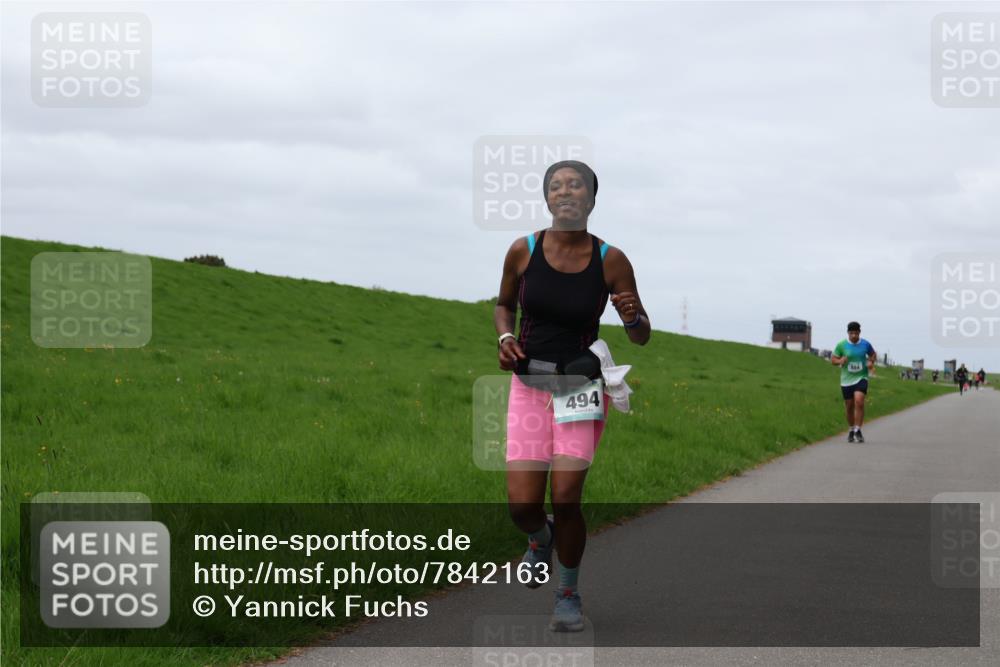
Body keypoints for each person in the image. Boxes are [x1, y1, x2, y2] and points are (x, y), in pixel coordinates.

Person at [494, 160, 650, 632]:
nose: (566, 191)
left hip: (579, 390)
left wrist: (631, 315)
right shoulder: (523, 250)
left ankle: (567, 593)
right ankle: (539, 540)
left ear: (591, 197)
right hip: (528, 387)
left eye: (576, 184)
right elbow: (503, 305)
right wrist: (504, 338)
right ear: (546, 198)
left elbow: (641, 335)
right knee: (522, 506)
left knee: (565, 497)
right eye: (556, 185)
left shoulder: (611, 259)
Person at [831, 322, 877, 443]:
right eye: (851, 333)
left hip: (861, 377)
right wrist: (840, 360)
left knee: (859, 401)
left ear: (859, 333)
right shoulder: (842, 345)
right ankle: (851, 429)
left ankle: (858, 430)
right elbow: (833, 360)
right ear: (848, 333)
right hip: (846, 380)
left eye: (856, 333)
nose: (854, 336)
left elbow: (873, 354)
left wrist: (871, 362)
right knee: (849, 405)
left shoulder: (865, 344)